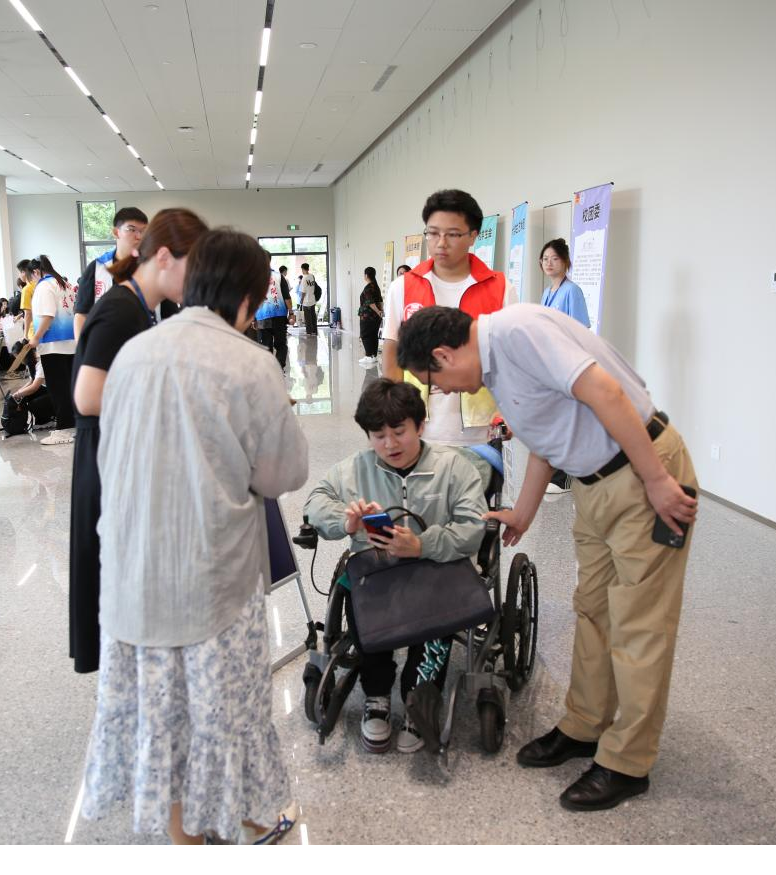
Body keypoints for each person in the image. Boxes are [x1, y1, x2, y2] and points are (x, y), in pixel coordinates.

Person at [397, 304, 699, 812]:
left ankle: (628, 762)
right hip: (594, 486)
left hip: (640, 471)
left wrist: (656, 480)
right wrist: (524, 512)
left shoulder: (518, 333)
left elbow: (606, 392)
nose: (442, 391)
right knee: (593, 610)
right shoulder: (496, 366)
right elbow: (545, 436)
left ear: (443, 355)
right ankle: (585, 725)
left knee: (640, 623)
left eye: (434, 381)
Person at [81, 229, 308, 846]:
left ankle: (189, 834)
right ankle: (243, 820)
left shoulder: (135, 351)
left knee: (165, 716)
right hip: (212, 582)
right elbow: (282, 474)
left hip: (132, 573)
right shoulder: (250, 363)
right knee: (226, 711)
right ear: (250, 297)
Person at [304, 378, 486, 754]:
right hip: (378, 573)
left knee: (437, 620)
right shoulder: (355, 470)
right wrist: (345, 521)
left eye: (399, 431)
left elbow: (473, 529)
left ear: (420, 425)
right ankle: (376, 695)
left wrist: (422, 544)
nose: (390, 444)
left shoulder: (455, 468)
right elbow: (315, 502)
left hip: (436, 568)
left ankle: (420, 697)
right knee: (363, 607)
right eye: (379, 435)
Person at [69, 208, 209, 676]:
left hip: (119, 450)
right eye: (194, 267)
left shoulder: (139, 307)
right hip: (105, 457)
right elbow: (88, 396)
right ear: (164, 257)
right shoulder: (121, 308)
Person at [382, 189, 515, 447]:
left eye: (452, 234)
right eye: (433, 233)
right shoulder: (403, 287)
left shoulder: (499, 287)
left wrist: (509, 412)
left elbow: (510, 358)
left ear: (473, 236)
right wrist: (395, 412)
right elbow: (391, 351)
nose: (441, 243)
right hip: (419, 425)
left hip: (482, 429)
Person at [539, 238, 591, 494]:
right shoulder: (547, 293)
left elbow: (581, 331)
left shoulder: (572, 291)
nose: (549, 263)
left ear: (566, 262)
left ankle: (565, 478)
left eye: (555, 259)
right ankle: (556, 472)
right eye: (545, 259)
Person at [74, 207, 148, 341]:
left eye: (143, 231)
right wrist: (81, 349)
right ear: (116, 232)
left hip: (145, 344)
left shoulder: (152, 268)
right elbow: (81, 314)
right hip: (105, 344)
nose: (139, 236)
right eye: (131, 230)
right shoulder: (97, 268)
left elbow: (168, 314)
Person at [27, 255, 77, 445]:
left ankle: (64, 430)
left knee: (58, 389)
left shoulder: (44, 286)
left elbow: (48, 315)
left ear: (36, 272)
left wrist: (36, 337)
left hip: (53, 345)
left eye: (31, 278)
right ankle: (73, 426)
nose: (32, 282)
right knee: (69, 387)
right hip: (70, 344)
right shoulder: (64, 283)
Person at [6, 348, 54, 426]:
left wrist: (17, 394)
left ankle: (49, 416)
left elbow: (34, 387)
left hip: (57, 392)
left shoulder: (40, 363)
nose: (20, 361)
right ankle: (42, 418)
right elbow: (31, 381)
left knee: (33, 405)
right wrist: (19, 392)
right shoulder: (30, 362)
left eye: (19, 358)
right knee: (25, 397)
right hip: (47, 388)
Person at [257, 267, 292, 370]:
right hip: (279, 315)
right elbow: (287, 297)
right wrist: (291, 312)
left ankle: (269, 370)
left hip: (262, 316)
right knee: (281, 344)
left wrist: (253, 319)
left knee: (266, 345)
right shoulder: (279, 276)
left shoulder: (255, 276)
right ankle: (279, 368)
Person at [358, 267, 383, 367]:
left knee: (365, 335)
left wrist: (378, 311)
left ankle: (368, 356)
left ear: (366, 275)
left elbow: (370, 302)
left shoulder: (368, 288)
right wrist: (380, 311)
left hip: (367, 316)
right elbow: (380, 301)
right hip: (376, 317)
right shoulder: (376, 286)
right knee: (373, 335)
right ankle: (374, 356)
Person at [300, 262, 318, 335]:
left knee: (307, 317)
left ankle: (309, 331)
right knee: (313, 316)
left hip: (306, 301)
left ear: (303, 269)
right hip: (312, 299)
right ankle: (314, 330)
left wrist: (301, 299)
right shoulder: (312, 276)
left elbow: (303, 291)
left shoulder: (304, 278)